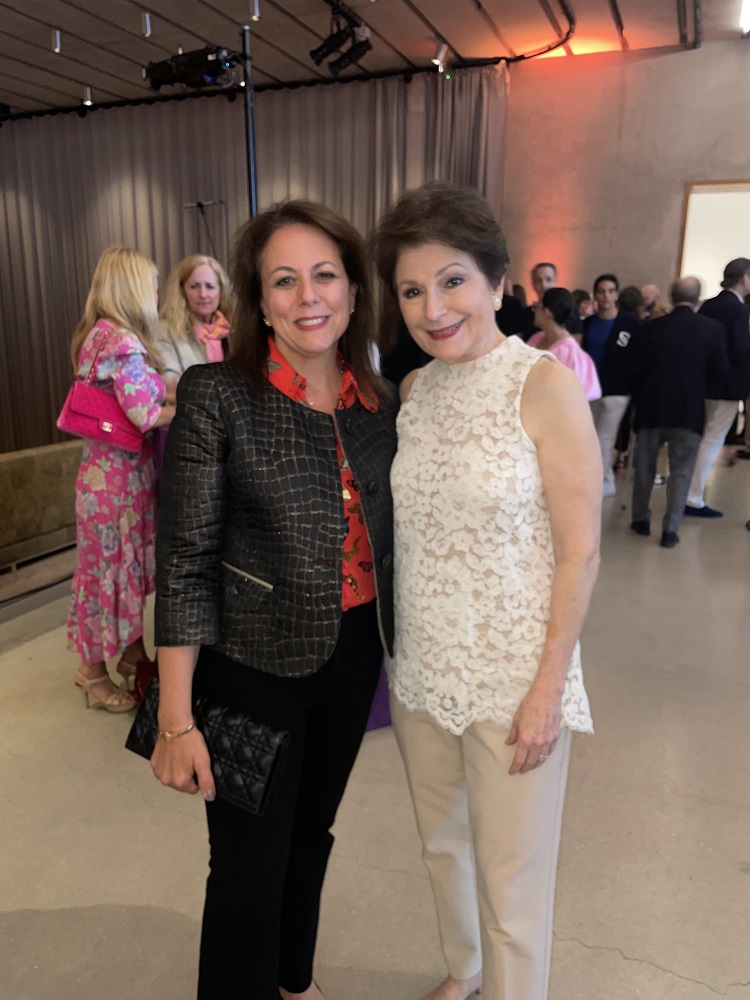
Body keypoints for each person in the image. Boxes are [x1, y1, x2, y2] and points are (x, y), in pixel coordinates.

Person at [150, 200, 398, 1000]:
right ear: (258, 300)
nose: (308, 296)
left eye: (325, 274)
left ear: (355, 291)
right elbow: (186, 561)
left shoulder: (378, 404)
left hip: (353, 653)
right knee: (249, 867)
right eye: (283, 281)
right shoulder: (219, 395)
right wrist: (175, 719)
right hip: (249, 666)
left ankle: (293, 981)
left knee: (310, 836)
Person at [371, 181, 600, 1000]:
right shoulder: (415, 394)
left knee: (513, 885)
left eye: (452, 280)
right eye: (410, 290)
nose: (432, 308)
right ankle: (465, 971)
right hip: (424, 672)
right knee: (443, 845)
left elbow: (580, 554)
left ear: (498, 282)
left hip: (513, 681)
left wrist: (547, 690)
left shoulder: (544, 386)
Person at [67, 246, 174, 712]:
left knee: (110, 573)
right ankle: (91, 671)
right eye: (151, 282)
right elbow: (146, 413)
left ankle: (132, 651)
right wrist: (191, 405)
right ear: (133, 287)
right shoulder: (124, 343)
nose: (155, 291)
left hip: (103, 479)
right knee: (108, 576)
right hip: (119, 487)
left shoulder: (96, 335)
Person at [629, 278, 728, 548]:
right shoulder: (712, 330)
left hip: (652, 407)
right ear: (698, 299)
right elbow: (720, 371)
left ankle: (640, 519)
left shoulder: (650, 329)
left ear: (671, 297)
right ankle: (670, 529)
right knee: (682, 471)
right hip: (689, 409)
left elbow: (635, 368)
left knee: (645, 468)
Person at [684, 257, 750, 518]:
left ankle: (688, 493)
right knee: (712, 440)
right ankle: (693, 497)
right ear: (744, 278)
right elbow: (739, 350)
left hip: (705, 381)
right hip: (727, 384)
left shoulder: (709, 304)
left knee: (702, 437)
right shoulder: (738, 309)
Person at [582, 273, 641, 497]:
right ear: (595, 294)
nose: (605, 296)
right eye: (601, 291)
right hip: (591, 389)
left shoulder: (630, 324)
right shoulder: (587, 324)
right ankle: (595, 477)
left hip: (617, 390)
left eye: (610, 291)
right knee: (590, 437)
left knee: (604, 438)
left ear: (616, 294)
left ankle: (606, 481)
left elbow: (637, 357)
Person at [157, 254, 237, 396]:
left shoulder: (235, 329)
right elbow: (168, 382)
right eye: (194, 287)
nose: (203, 294)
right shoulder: (165, 330)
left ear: (221, 290)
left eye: (210, 286)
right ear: (182, 291)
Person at [529, 287, 601, 400]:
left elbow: (574, 400)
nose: (534, 311)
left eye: (537, 307)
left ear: (546, 312)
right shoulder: (536, 339)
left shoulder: (571, 355)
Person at [521, 262, 583, 340]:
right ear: (533, 284)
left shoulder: (569, 311)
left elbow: (574, 345)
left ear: (555, 281)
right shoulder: (525, 314)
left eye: (548, 279)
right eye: (538, 281)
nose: (543, 285)